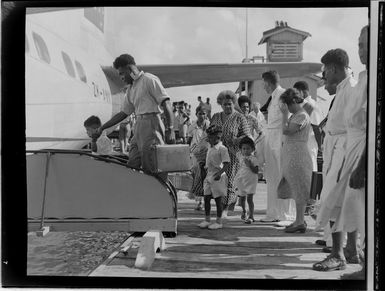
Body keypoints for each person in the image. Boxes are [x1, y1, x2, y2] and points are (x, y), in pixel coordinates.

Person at [313, 26, 368, 273]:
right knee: (344, 202)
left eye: (325, 71)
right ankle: (351, 251)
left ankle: (338, 254)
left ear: (333, 68)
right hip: (339, 149)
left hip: (346, 150)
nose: (324, 76)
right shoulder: (346, 88)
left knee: (335, 201)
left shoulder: (352, 86)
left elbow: (356, 126)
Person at [95, 54, 175, 177]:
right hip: (138, 125)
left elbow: (166, 103)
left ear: (130, 69)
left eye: (122, 73)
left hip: (151, 123)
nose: (121, 77)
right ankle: (136, 189)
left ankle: (159, 191)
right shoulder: (130, 89)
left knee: (151, 163)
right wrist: (102, 127)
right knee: (133, 161)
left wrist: (171, 128)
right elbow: (123, 113)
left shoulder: (149, 80)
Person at [260, 71, 295, 225]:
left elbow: (291, 115)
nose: (263, 86)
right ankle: (273, 212)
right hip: (270, 135)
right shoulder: (273, 97)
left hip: (280, 137)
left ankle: (286, 215)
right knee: (272, 176)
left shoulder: (283, 94)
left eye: (263, 83)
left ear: (268, 82)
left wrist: (284, 138)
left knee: (284, 175)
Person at [277, 88, 313, 233]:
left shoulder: (302, 115)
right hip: (292, 154)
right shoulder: (297, 114)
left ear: (292, 102)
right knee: (296, 187)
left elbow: (287, 130)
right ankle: (299, 220)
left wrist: (284, 115)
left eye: (287, 104)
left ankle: (299, 221)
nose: (286, 108)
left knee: (299, 188)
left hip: (298, 155)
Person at [210, 90, 251, 217]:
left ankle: (225, 209)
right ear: (220, 105)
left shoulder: (239, 117)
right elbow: (209, 132)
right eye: (225, 104)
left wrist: (237, 139)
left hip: (232, 155)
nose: (228, 106)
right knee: (217, 181)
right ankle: (221, 207)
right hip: (217, 155)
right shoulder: (216, 116)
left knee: (229, 181)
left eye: (230, 104)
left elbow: (247, 135)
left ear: (233, 103)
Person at [198, 125, 230, 230]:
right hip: (209, 175)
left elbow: (226, 164)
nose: (208, 139)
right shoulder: (210, 148)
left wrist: (220, 173)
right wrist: (204, 166)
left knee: (218, 199)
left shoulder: (222, 149)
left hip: (218, 176)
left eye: (210, 137)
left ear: (217, 137)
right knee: (206, 197)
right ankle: (207, 219)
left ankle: (218, 221)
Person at [293, 81, 323, 171]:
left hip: (309, 143)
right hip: (299, 144)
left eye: (297, 93)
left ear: (303, 91)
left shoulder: (312, 105)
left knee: (310, 170)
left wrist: (320, 147)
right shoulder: (299, 105)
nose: (295, 96)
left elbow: (316, 127)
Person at [187, 107, 210, 210]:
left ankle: (206, 201)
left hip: (208, 153)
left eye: (204, 113)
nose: (202, 116)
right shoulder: (192, 126)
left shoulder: (209, 125)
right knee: (197, 175)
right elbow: (189, 140)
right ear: (196, 114)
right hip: (195, 154)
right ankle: (199, 201)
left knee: (206, 176)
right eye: (200, 113)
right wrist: (188, 153)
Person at [234, 136, 259, 224]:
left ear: (252, 149)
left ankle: (251, 215)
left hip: (251, 180)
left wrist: (250, 165)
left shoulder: (253, 159)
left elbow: (256, 171)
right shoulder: (240, 156)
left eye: (248, 149)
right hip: (241, 179)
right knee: (242, 199)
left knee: (249, 199)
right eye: (244, 149)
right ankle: (244, 211)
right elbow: (235, 148)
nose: (245, 151)